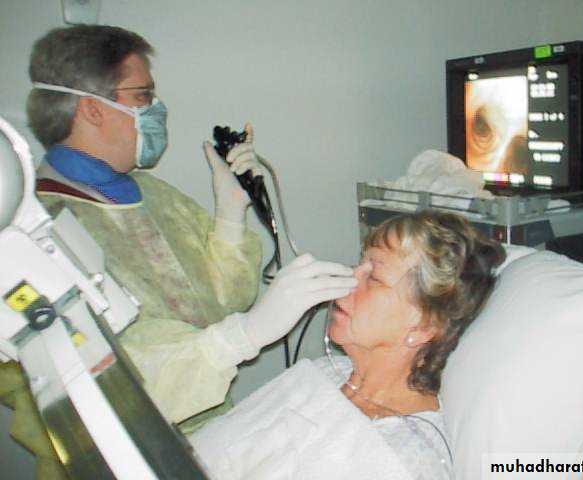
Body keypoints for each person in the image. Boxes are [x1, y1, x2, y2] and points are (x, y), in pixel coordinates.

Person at [0, 24, 356, 479]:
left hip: (207, 441)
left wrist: (231, 212)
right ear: (92, 108)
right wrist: (244, 336)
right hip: (108, 463)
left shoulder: (149, 194)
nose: (157, 109)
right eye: (143, 95)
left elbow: (222, 301)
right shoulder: (36, 236)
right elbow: (115, 393)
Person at [190, 209, 506, 480]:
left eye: (374, 277)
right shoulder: (324, 372)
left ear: (424, 327)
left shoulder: (408, 458)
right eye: (358, 264)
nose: (348, 280)